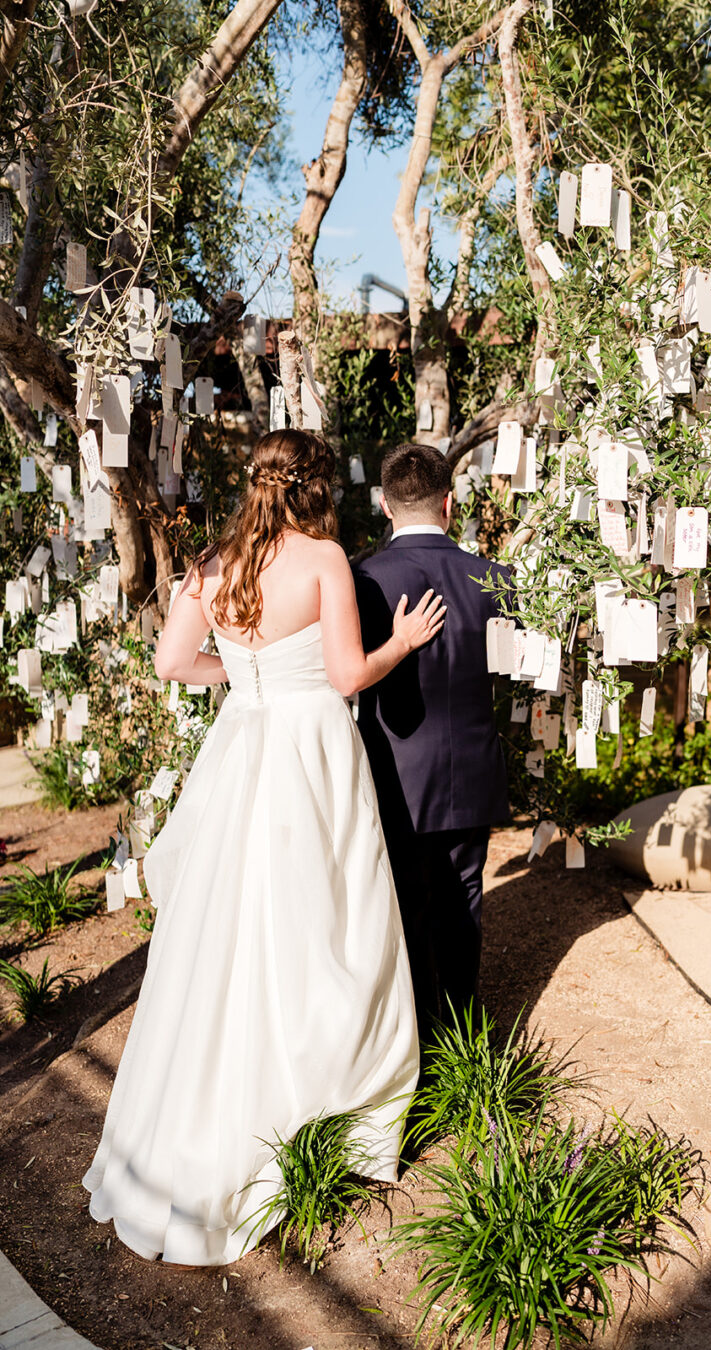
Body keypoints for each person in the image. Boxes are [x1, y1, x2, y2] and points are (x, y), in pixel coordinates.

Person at [83, 429, 445, 1267]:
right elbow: (350, 676)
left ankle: (195, 1127)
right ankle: (322, 1107)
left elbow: (176, 661)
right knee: (323, 920)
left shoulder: (211, 564)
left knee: (221, 936)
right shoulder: (322, 558)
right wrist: (403, 643)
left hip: (242, 746)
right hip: (310, 751)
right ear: (318, 487)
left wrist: (245, 679)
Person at [353, 442, 513, 1035]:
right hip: (473, 765)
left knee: (406, 902)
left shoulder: (363, 578)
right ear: (449, 503)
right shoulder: (495, 580)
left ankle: (419, 1037)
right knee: (466, 892)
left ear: (385, 506)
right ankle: (465, 1029)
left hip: (396, 769)